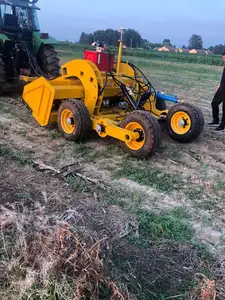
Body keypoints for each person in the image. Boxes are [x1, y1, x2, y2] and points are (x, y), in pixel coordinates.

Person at [208, 51, 225, 132]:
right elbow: (223, 78)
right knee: (214, 103)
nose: (223, 59)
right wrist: (219, 85)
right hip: (222, 89)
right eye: (223, 57)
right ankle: (216, 120)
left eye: (224, 57)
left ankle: (222, 126)